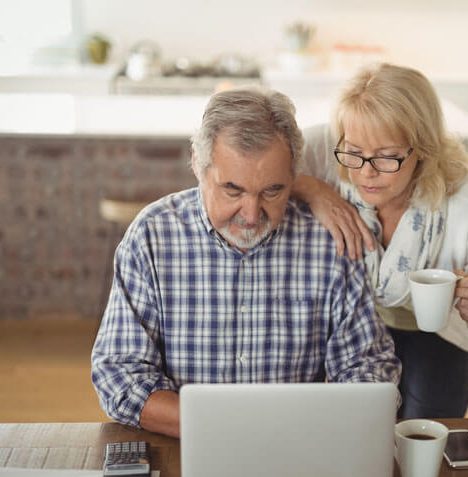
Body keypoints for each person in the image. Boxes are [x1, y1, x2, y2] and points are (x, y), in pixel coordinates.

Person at [91, 87, 401, 438]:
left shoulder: (329, 243)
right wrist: (230, 428)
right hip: (187, 445)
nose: (252, 216)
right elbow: (119, 375)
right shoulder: (152, 236)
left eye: (273, 191)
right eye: (233, 190)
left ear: (294, 177)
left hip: (298, 446)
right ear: (198, 164)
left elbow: (369, 369)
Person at [293, 63, 468, 418]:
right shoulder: (328, 145)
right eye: (354, 151)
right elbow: (261, 174)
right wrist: (315, 189)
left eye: (387, 156)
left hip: (438, 329)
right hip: (357, 317)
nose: (365, 171)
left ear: (423, 149)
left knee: (423, 431)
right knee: (358, 426)